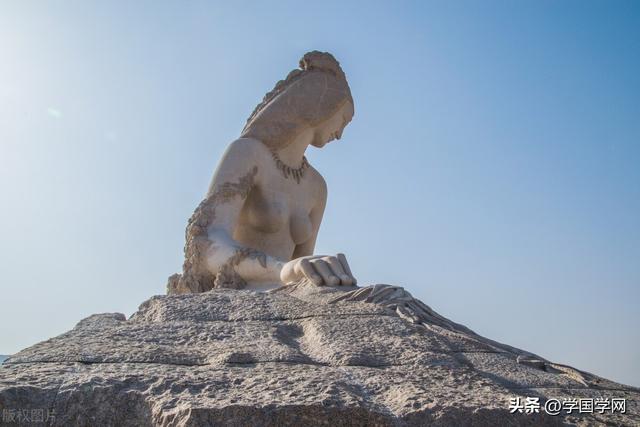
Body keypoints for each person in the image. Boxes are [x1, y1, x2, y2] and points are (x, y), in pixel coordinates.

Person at [168, 51, 357, 294]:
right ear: (323, 106)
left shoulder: (317, 187)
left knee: (390, 298)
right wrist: (281, 270)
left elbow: (303, 266)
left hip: (285, 295)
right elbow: (206, 243)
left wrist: (323, 273)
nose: (340, 134)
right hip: (237, 292)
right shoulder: (247, 153)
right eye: (342, 120)